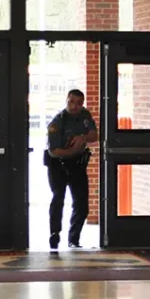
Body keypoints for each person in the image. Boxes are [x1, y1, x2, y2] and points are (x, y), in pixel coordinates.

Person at [44, 89, 98, 251]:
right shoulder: (57, 122)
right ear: (67, 101)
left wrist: (83, 137)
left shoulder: (84, 115)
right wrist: (72, 152)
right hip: (58, 164)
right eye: (72, 102)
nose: (75, 106)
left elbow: (94, 135)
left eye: (79, 103)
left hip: (77, 165)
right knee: (58, 199)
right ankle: (55, 234)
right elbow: (53, 150)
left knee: (82, 203)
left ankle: (74, 239)